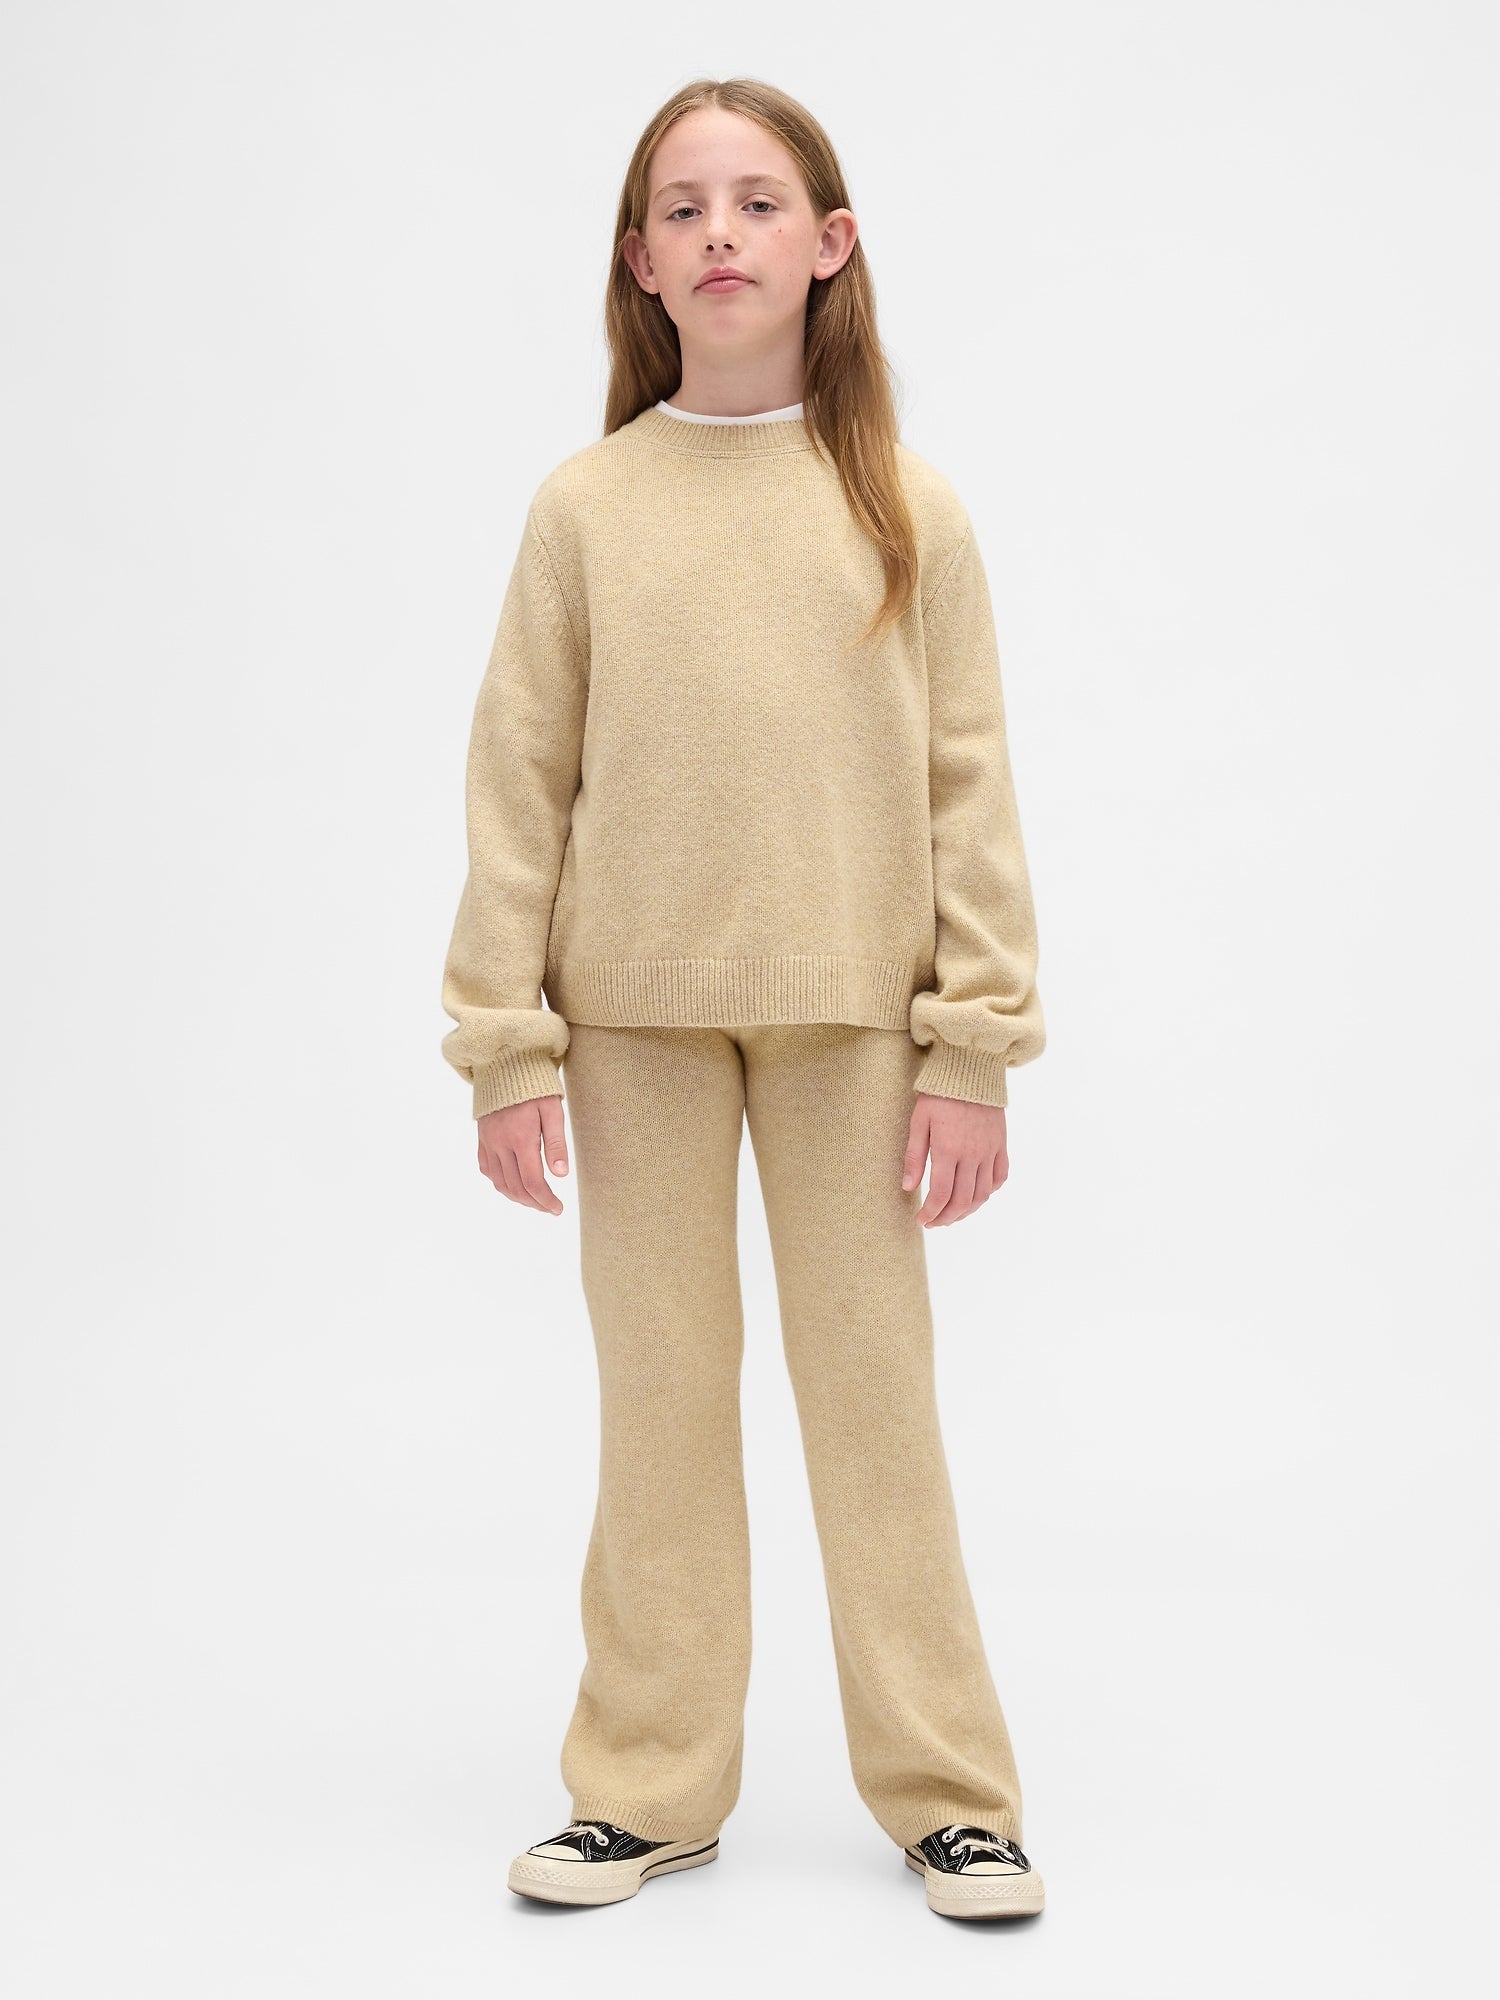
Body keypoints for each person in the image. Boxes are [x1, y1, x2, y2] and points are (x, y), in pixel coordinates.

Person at [439, 75, 1048, 1923]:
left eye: (760, 202)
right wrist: (504, 1046)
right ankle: (644, 1788)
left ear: (829, 244)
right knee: (661, 1403)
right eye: (684, 207)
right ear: (640, 261)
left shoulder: (908, 507)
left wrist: (974, 1045)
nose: (722, 233)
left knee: (876, 1406)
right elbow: (518, 780)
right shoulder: (586, 508)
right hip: (629, 1025)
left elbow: (967, 783)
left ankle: (950, 1794)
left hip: (860, 1019)